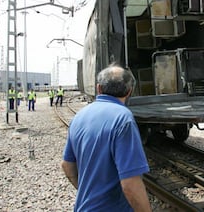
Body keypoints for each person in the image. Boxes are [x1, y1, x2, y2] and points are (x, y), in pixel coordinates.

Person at [61, 63, 151, 211]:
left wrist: (90, 194)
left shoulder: (79, 117)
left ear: (99, 88)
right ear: (129, 91)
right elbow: (130, 184)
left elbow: (67, 165)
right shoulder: (123, 119)